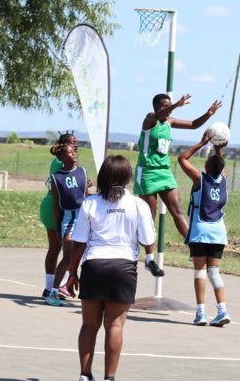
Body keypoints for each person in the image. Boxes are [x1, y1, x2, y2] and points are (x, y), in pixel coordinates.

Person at [66, 155, 163, 381]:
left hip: (94, 265)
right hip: (123, 268)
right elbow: (148, 238)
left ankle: (85, 375)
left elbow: (79, 241)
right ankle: (109, 378)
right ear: (128, 177)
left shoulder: (90, 203)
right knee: (115, 326)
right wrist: (150, 257)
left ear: (103, 177)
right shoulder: (138, 204)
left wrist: (72, 273)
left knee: (89, 324)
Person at [133, 93, 222, 238]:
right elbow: (156, 116)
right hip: (147, 172)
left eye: (169, 107)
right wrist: (175, 105)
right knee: (149, 217)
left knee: (177, 210)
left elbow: (193, 125)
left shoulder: (170, 122)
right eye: (163, 106)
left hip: (164, 172)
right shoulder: (150, 119)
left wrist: (208, 114)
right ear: (155, 107)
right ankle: (146, 255)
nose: (167, 110)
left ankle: (193, 245)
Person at [178, 130, 231, 327]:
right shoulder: (224, 180)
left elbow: (182, 158)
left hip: (200, 232)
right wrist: (218, 148)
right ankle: (222, 310)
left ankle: (201, 313)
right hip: (218, 233)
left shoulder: (200, 179)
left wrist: (202, 143)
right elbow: (220, 165)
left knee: (200, 272)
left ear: (207, 167)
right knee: (214, 272)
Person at [45, 142, 92, 306]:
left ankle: (84, 290)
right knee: (68, 257)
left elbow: (87, 196)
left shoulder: (82, 172)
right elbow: (57, 206)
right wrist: (58, 227)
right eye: (71, 153)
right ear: (62, 157)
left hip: (85, 217)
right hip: (69, 219)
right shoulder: (56, 178)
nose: (74, 155)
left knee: (90, 256)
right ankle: (53, 292)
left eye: (75, 152)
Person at [39, 131, 79, 299]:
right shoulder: (60, 163)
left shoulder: (67, 162)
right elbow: (65, 188)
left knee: (59, 249)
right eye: (71, 144)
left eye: (76, 144)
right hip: (56, 208)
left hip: (59, 208)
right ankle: (56, 288)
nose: (75, 147)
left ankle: (53, 287)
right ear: (63, 147)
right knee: (64, 250)